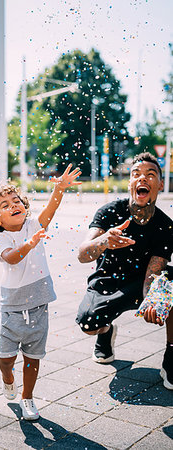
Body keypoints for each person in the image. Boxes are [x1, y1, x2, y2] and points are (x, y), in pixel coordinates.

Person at [0, 164, 82, 419]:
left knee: (32, 356)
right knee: (5, 357)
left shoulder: (33, 225)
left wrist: (58, 188)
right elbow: (12, 258)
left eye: (16, 201)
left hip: (38, 304)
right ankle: (7, 378)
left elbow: (51, 209)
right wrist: (29, 243)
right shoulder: (1, 238)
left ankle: (28, 398)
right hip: (11, 308)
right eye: (5, 205)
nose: (14, 205)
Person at [76, 152, 173, 390]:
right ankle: (105, 333)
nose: (143, 179)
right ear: (130, 183)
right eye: (136, 174)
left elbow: (156, 268)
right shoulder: (110, 212)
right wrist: (104, 241)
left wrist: (153, 300)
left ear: (160, 184)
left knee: (171, 280)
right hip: (108, 281)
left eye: (151, 175)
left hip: (140, 281)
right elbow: (82, 254)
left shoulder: (165, 225)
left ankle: (171, 355)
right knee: (88, 324)